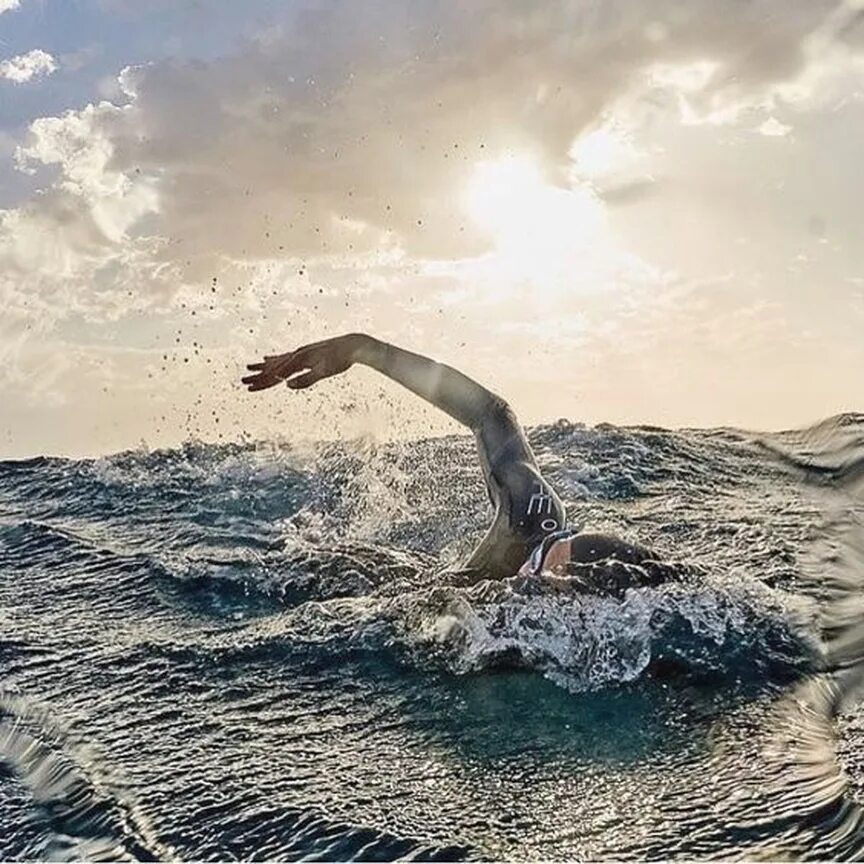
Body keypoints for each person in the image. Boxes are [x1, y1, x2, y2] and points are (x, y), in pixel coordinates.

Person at [242, 333, 678, 597]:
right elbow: (490, 413)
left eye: (559, 586)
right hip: (399, 584)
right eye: (550, 570)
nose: (542, 584)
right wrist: (362, 348)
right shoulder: (527, 511)